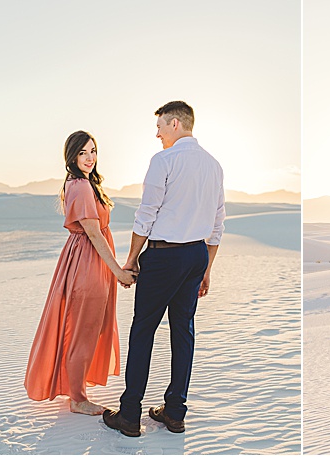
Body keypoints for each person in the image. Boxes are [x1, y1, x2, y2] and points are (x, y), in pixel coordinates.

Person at [103, 101, 226, 437]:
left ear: (175, 123)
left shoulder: (164, 160)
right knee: (183, 331)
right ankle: (174, 413)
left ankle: (129, 416)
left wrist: (130, 259)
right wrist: (208, 268)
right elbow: (218, 223)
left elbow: (146, 215)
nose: (157, 133)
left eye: (159, 126)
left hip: (163, 257)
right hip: (196, 256)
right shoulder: (214, 165)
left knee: (143, 330)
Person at [25, 131, 136, 415]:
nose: (90, 158)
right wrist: (119, 272)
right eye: (83, 153)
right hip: (88, 262)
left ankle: (76, 389)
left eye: (93, 151)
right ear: (72, 156)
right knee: (84, 329)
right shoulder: (81, 186)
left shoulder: (84, 183)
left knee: (87, 326)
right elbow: (94, 234)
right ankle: (77, 398)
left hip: (89, 261)